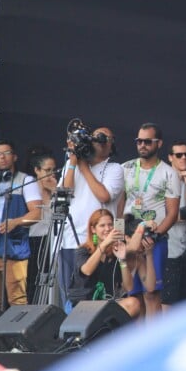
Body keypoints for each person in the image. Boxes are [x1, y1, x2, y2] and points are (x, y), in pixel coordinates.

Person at [59, 126, 124, 310]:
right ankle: (70, 334)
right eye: (96, 138)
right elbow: (65, 193)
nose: (100, 141)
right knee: (70, 293)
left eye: (105, 138)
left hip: (98, 242)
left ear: (112, 145)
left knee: (94, 293)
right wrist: (73, 161)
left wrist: (83, 166)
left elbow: (104, 196)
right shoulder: (74, 165)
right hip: (70, 240)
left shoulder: (115, 168)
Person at [120, 123, 181, 316]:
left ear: (159, 143)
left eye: (148, 141)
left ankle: (153, 341)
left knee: (152, 293)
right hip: (128, 238)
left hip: (153, 240)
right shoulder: (126, 168)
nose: (142, 145)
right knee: (132, 294)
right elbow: (119, 205)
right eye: (139, 141)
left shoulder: (169, 173)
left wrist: (154, 237)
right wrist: (119, 235)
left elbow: (172, 214)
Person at [0, 140, 43, 307]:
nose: (2, 157)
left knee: (17, 302)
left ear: (15, 157)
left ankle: (16, 334)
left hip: (13, 250)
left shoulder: (26, 180)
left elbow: (37, 213)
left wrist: (16, 222)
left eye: (6, 153)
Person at [67, 209, 143, 317]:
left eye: (110, 225)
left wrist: (122, 259)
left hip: (107, 305)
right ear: (93, 229)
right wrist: (105, 244)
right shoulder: (83, 250)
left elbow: (129, 287)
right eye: (102, 226)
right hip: (83, 305)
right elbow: (87, 271)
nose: (107, 229)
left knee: (134, 303)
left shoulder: (115, 251)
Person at [162, 141, 186, 308]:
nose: (184, 158)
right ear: (170, 157)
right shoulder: (164, 178)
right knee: (168, 300)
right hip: (170, 249)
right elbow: (162, 216)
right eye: (179, 155)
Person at [25, 146, 57, 304]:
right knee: (33, 279)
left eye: (54, 170)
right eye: (47, 170)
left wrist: (55, 191)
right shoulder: (29, 189)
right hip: (35, 239)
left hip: (52, 239)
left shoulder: (56, 188)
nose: (51, 174)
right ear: (37, 170)